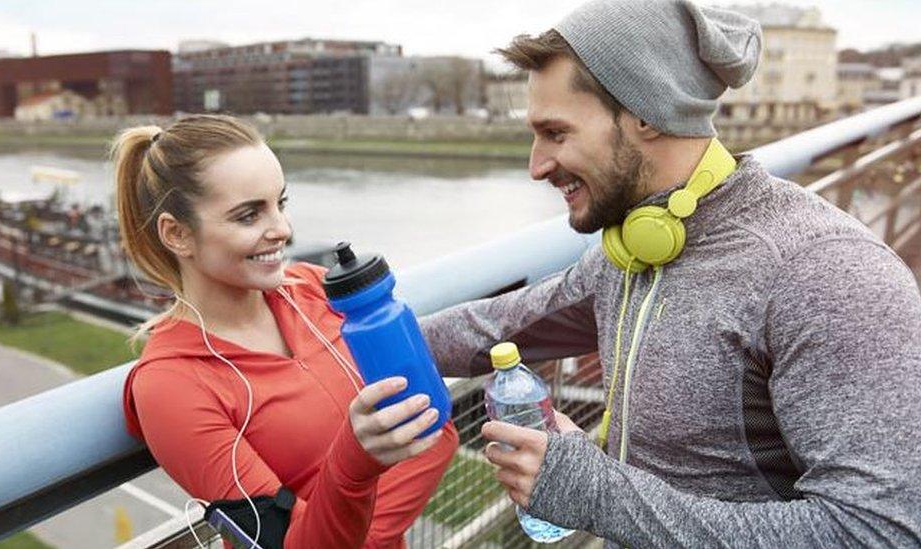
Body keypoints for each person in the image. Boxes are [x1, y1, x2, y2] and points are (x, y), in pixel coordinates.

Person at [420, 1, 921, 546]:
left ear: (646, 114)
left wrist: (598, 494)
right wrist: (334, 333)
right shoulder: (634, 249)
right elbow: (496, 327)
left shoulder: (825, 272)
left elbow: (880, 532)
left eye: (556, 133)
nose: (536, 165)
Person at [115, 114, 458, 548]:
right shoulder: (171, 385)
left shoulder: (314, 289)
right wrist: (355, 464)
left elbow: (436, 429)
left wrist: (356, 533)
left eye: (281, 202)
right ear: (177, 234)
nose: (283, 230)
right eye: (248, 215)